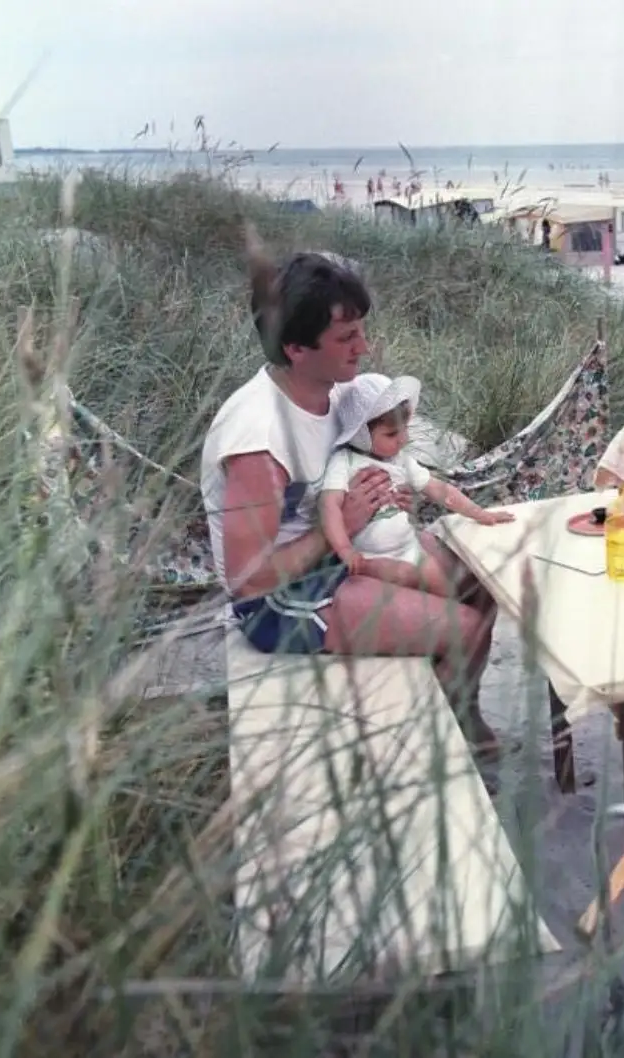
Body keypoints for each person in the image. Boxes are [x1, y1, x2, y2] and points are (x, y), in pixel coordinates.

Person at [200, 250, 503, 755]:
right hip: (283, 597)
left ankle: (456, 715)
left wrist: (387, 497)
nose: (364, 347)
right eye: (346, 338)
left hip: (348, 547)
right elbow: (246, 579)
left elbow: (380, 450)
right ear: (296, 348)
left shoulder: (337, 393)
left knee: (481, 584)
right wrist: (335, 529)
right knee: (463, 629)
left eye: (361, 330)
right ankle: (432, 756)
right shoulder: (259, 437)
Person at [320, 371, 514, 593]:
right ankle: (368, 577)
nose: (404, 439)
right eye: (392, 434)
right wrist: (345, 549)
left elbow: (440, 490)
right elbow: (329, 506)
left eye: (405, 429)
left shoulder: (401, 461)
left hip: (409, 547)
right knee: (414, 576)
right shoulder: (345, 461)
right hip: (370, 556)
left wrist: (480, 513)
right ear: (361, 434)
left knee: (446, 586)